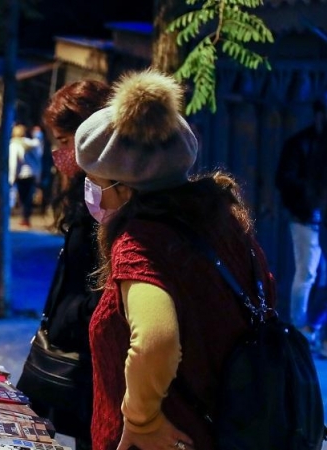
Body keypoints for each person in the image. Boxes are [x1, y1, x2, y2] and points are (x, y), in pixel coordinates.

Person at [74, 69, 277, 450]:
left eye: (96, 183)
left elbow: (156, 339)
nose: (92, 194)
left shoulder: (140, 243)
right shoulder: (225, 221)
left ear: (124, 189)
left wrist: (142, 419)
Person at [15, 80, 110, 448]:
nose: (60, 154)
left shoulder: (110, 199)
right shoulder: (86, 192)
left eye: (64, 141)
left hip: (94, 360)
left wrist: (68, 319)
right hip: (80, 349)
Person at [275, 99, 327, 347]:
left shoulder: (314, 143)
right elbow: (285, 179)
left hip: (317, 218)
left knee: (317, 276)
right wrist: (308, 201)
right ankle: (300, 329)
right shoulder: (300, 144)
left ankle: (310, 330)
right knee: (307, 273)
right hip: (305, 218)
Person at [8, 124, 42, 228]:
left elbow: (13, 162)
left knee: (22, 197)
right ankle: (26, 218)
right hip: (32, 173)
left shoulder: (14, 145)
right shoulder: (32, 144)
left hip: (21, 174)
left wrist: (11, 178)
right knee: (28, 198)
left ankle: (24, 218)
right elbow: (38, 158)